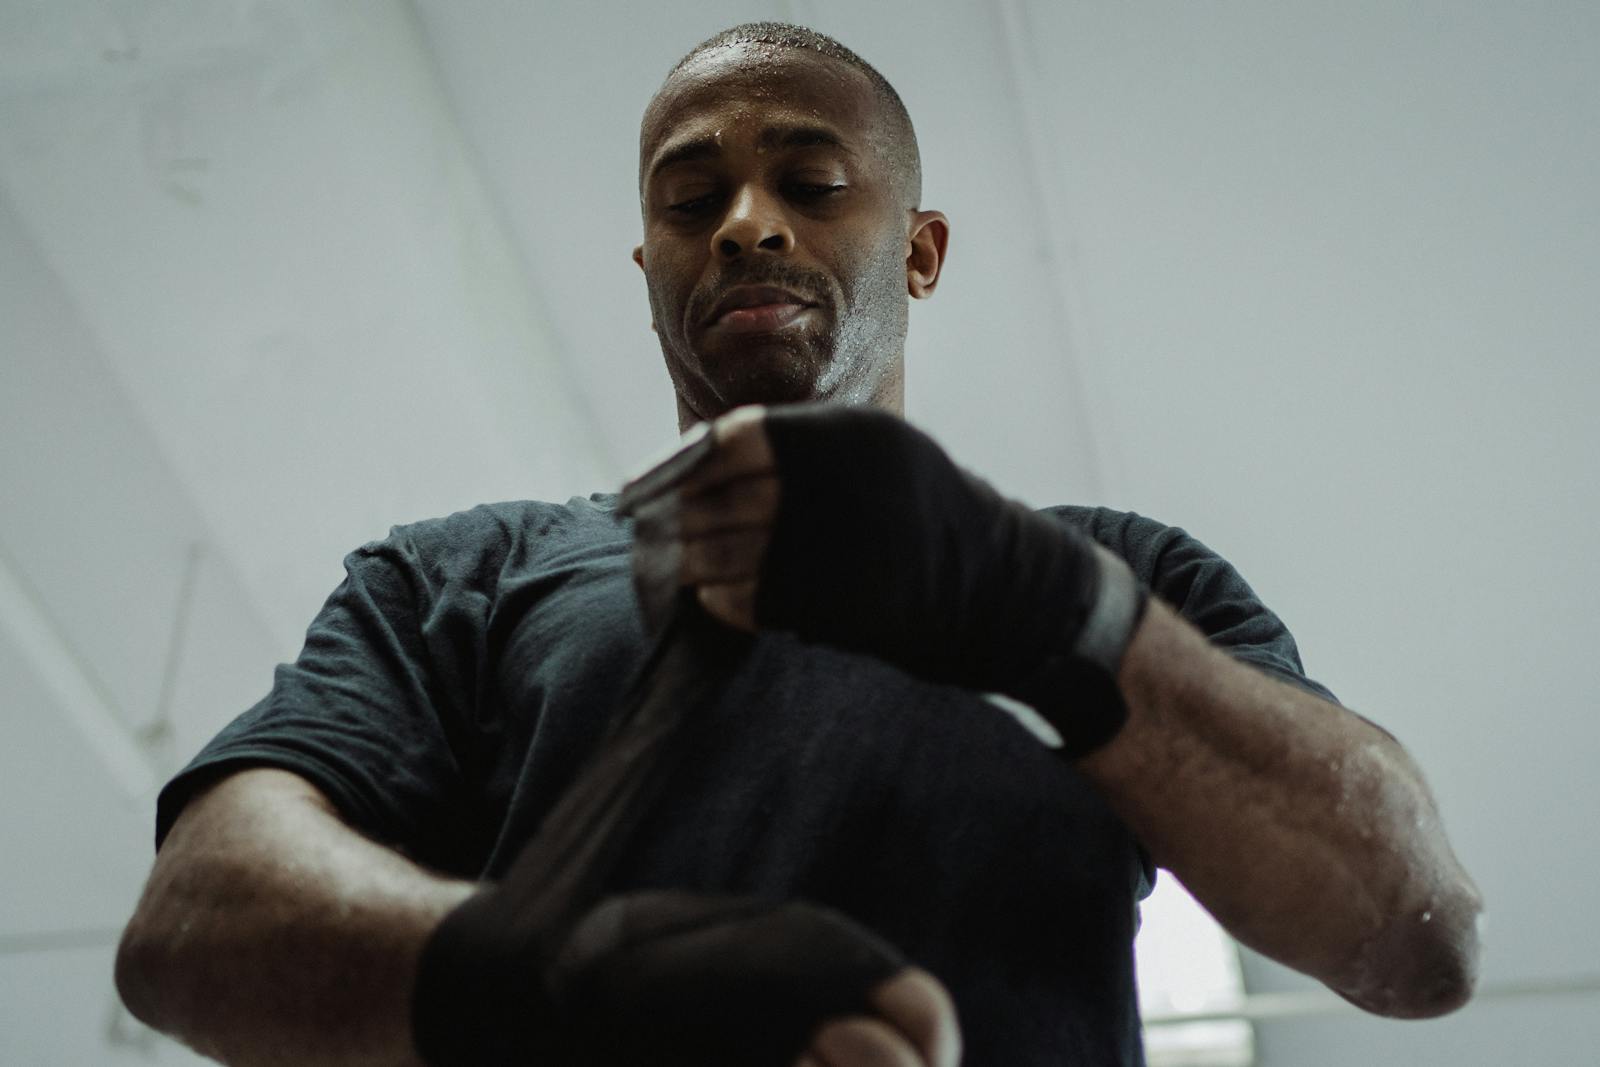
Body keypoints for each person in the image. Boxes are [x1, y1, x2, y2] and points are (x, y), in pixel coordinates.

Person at [114, 21, 1483, 1067]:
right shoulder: (456, 577)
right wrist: (562, 975)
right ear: (648, 264)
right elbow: (192, 928)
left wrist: (1057, 614)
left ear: (924, 249)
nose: (747, 225)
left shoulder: (1127, 574)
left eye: (814, 182)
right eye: (690, 200)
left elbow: (1415, 932)